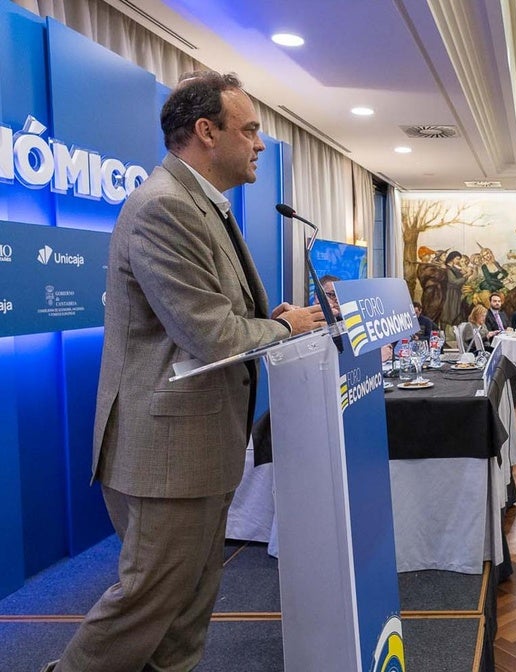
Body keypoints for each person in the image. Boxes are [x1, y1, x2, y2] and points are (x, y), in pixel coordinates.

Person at [46, 72, 326, 672]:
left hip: (198, 445)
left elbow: (218, 316)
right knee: (148, 600)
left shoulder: (199, 203)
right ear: (206, 132)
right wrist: (285, 328)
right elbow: (211, 334)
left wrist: (270, 319)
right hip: (165, 454)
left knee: (188, 604)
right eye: (249, 129)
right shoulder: (164, 207)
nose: (258, 143)